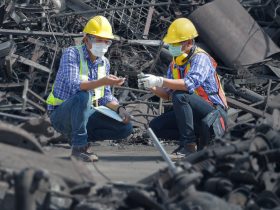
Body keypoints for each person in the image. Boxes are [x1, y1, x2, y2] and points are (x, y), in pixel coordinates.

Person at [138, 18, 228, 160]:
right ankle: (195, 140)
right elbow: (168, 95)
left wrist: (159, 80)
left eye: (176, 43)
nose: (172, 47)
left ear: (189, 42)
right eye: (171, 43)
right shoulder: (175, 63)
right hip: (195, 116)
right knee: (156, 127)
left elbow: (188, 84)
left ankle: (188, 146)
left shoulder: (200, 58)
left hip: (214, 115)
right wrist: (152, 86)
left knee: (181, 95)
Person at [46, 16, 133, 162]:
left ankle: (79, 138)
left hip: (85, 114)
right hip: (61, 115)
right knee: (83, 96)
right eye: (99, 40)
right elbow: (75, 85)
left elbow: (105, 97)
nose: (104, 44)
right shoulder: (72, 53)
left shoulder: (104, 63)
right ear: (86, 39)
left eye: (107, 41)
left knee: (125, 128)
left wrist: (120, 109)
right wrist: (102, 81)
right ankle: (79, 147)